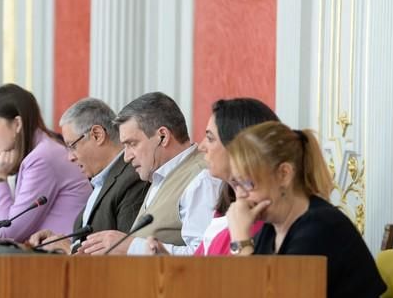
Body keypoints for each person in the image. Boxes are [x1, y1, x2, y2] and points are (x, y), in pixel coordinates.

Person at [225, 121, 393, 298]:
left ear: (284, 174)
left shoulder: (321, 229)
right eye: (235, 184)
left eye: (248, 184)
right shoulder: (272, 229)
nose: (240, 196)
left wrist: (240, 240)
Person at [80, 92, 221, 255]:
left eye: (132, 144)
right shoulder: (159, 174)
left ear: (162, 136)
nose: (126, 157)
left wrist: (131, 246)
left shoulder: (200, 179)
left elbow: (205, 257)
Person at [147, 98, 279, 255]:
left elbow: (245, 277)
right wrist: (166, 261)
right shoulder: (225, 203)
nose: (202, 147)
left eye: (210, 138)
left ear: (238, 145)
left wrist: (240, 239)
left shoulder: (262, 216)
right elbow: (202, 269)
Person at [27, 98, 149, 253]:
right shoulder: (100, 180)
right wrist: (61, 242)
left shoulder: (132, 179)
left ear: (97, 135)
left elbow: (124, 251)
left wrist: (70, 250)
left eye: (72, 146)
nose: (70, 157)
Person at [0, 84, 91, 242]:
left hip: (61, 259)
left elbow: (8, 232)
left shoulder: (42, 158)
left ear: (17, 124)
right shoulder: (37, 152)